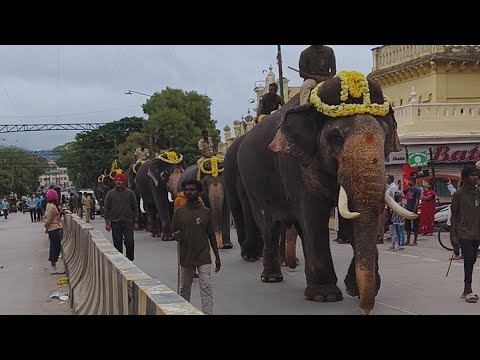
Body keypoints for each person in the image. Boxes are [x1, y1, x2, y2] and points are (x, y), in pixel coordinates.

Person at [171, 179, 221, 315]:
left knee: (206, 286)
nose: (189, 192)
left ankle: (208, 313)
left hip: (203, 256)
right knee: (184, 288)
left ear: (199, 192)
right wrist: (176, 235)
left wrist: (217, 256)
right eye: (186, 189)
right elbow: (173, 230)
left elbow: (211, 235)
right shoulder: (179, 212)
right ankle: (184, 311)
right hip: (186, 256)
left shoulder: (206, 212)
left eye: (192, 189)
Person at [450, 165, 480, 303]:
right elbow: (454, 215)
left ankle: (466, 288)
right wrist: (453, 235)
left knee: (472, 259)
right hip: (464, 233)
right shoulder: (459, 194)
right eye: (472, 175)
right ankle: (468, 289)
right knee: (468, 258)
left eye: (477, 175)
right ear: (465, 177)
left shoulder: (478, 193)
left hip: (476, 233)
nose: (475, 177)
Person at [104, 173, 139, 261]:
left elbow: (135, 207)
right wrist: (107, 223)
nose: (118, 182)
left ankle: (130, 259)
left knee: (129, 241)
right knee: (117, 242)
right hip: (115, 222)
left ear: (124, 181)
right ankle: (120, 260)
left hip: (128, 222)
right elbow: (106, 209)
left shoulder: (130, 193)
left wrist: (136, 221)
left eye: (120, 180)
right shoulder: (110, 194)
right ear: (114, 182)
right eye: (117, 180)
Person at [44, 189, 64, 275]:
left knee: (56, 247)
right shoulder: (51, 207)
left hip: (54, 228)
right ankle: (54, 268)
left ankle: (54, 267)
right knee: (55, 248)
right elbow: (48, 219)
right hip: (54, 229)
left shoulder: (50, 205)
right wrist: (47, 227)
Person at [403, 176, 421, 246]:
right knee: (408, 227)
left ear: (413, 182)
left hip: (413, 210)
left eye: (409, 181)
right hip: (407, 209)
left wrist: (414, 210)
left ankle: (415, 241)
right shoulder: (409, 190)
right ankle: (408, 240)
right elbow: (404, 193)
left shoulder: (417, 191)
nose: (408, 182)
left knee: (415, 226)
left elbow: (417, 201)